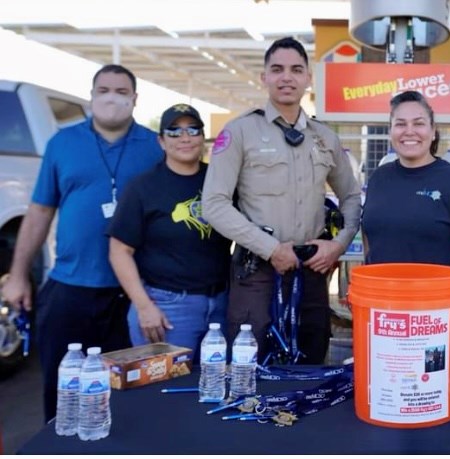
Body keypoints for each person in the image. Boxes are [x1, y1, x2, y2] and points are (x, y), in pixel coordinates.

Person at [0, 64, 164, 421]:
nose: (112, 98)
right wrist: (16, 275)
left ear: (135, 99)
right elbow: (40, 212)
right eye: (103, 90)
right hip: (70, 289)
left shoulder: (155, 147)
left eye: (122, 92)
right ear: (91, 97)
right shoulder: (63, 144)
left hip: (132, 296)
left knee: (125, 397)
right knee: (63, 392)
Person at [202, 37, 361, 364]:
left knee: (312, 354)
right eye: (277, 69)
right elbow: (214, 205)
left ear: (308, 79)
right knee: (251, 362)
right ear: (264, 78)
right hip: (258, 270)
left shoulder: (325, 137)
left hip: (312, 270)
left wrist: (338, 245)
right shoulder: (239, 132)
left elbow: (351, 197)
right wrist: (271, 249)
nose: (286, 77)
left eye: (295, 70)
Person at [360, 90, 450, 311]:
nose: (409, 131)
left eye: (418, 123)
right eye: (400, 124)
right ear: (391, 131)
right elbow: (370, 237)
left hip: (434, 314)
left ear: (433, 130)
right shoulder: (379, 177)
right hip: (383, 309)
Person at [107, 104, 231, 354]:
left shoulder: (221, 181)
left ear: (202, 139)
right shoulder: (143, 187)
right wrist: (143, 306)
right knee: (166, 390)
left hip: (222, 304)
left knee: (215, 387)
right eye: (174, 131)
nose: (184, 137)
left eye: (193, 130)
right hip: (167, 307)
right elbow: (119, 251)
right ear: (162, 141)